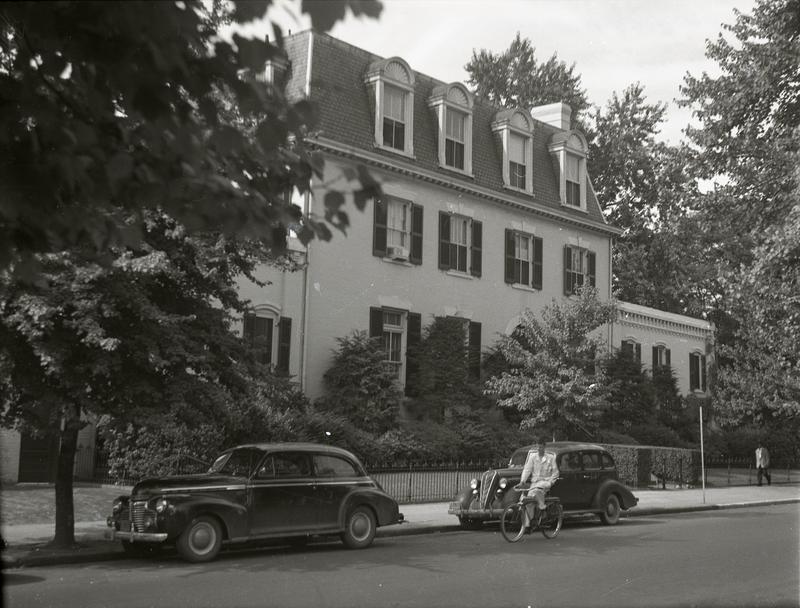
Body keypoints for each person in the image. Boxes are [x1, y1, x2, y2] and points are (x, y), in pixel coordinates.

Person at [518, 436, 560, 521]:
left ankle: (542, 507)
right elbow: (527, 469)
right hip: (535, 483)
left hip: (545, 482)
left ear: (544, 447)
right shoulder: (533, 457)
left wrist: (551, 482)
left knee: (537, 491)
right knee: (529, 501)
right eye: (538, 447)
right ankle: (528, 523)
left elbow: (556, 472)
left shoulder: (550, 458)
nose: (539, 449)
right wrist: (522, 481)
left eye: (541, 447)